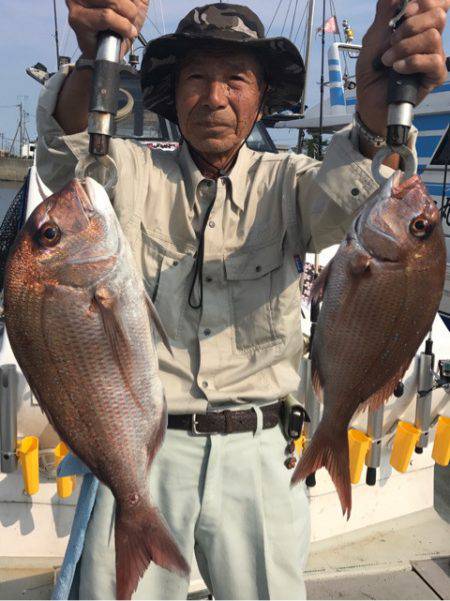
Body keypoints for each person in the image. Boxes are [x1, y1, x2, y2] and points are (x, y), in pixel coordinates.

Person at [36, 1, 449, 599]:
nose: (214, 97)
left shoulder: (290, 181)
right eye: (196, 78)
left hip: (262, 454)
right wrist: (93, 55)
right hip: (141, 451)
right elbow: (68, 154)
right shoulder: (126, 172)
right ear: (172, 94)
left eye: (236, 79)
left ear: (260, 99)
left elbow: (352, 191)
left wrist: (373, 108)